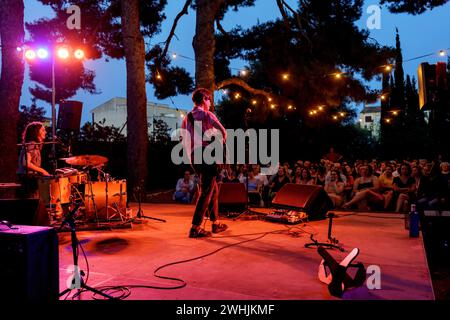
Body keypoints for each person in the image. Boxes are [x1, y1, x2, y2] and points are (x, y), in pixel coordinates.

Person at [181, 88, 228, 238]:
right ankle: (195, 227)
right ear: (204, 99)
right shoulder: (207, 115)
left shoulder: (187, 118)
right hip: (207, 155)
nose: (210, 102)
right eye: (209, 100)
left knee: (213, 189)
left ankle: (215, 224)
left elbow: (184, 139)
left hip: (194, 157)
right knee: (207, 192)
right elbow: (223, 132)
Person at [17, 122, 51, 197]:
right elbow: (26, 163)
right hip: (28, 180)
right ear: (36, 132)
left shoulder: (34, 144)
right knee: (33, 204)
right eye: (42, 130)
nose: (45, 132)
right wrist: (42, 171)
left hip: (29, 179)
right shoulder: (32, 144)